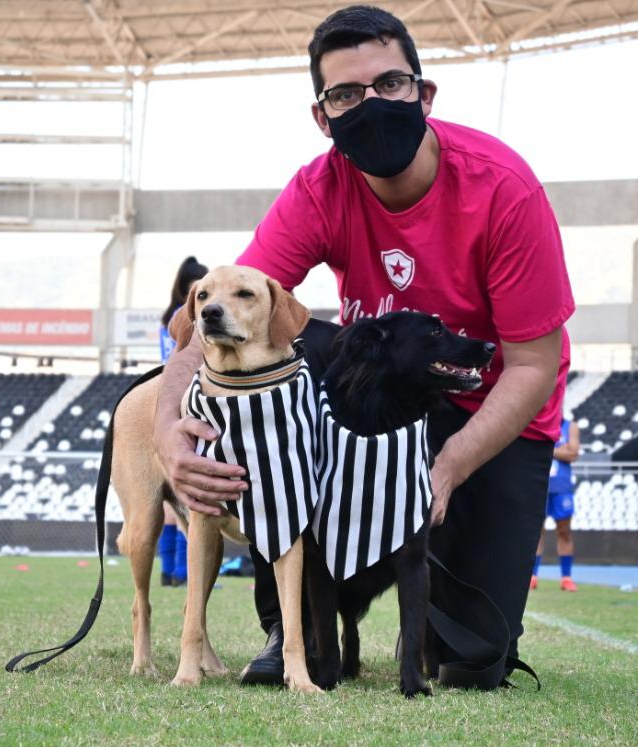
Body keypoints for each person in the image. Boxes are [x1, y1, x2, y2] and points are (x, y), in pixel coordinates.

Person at [152, 5, 573, 687]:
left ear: (424, 93)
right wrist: (171, 435)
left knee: (471, 660)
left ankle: (451, 613)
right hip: (379, 401)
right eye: (346, 95)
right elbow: (223, 320)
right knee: (279, 364)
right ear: (324, 118)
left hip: (489, 407)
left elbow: (532, 364)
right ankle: (293, 627)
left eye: (390, 85)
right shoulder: (318, 190)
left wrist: (447, 466)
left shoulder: (505, 189)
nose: (370, 105)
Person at [157, 257, 208, 585]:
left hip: (161, 394)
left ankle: (169, 570)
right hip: (184, 396)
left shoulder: (167, 316)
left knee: (169, 496)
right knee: (189, 493)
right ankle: (185, 569)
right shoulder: (188, 315)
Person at [534, 413, 581, 591]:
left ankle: (566, 577)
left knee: (564, 532)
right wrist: (562, 450)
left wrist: (547, 449)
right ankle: (532, 575)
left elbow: (573, 453)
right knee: (537, 533)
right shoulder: (538, 422)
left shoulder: (570, 426)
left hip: (561, 487)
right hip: (540, 485)